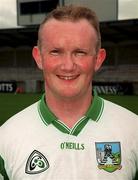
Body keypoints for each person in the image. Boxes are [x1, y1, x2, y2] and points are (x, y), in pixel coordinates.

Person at [0, 5, 138, 180]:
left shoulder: (133, 129)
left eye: (80, 52)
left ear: (98, 59)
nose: (68, 66)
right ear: (38, 57)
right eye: (56, 52)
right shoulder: (6, 137)